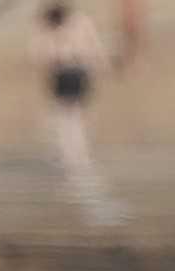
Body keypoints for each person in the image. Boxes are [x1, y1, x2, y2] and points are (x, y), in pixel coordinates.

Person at [31, 3, 110, 176]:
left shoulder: (75, 22)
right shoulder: (67, 22)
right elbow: (40, 52)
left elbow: (40, 53)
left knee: (70, 116)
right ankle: (73, 155)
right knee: (69, 116)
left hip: (73, 71)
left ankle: (75, 155)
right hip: (68, 71)